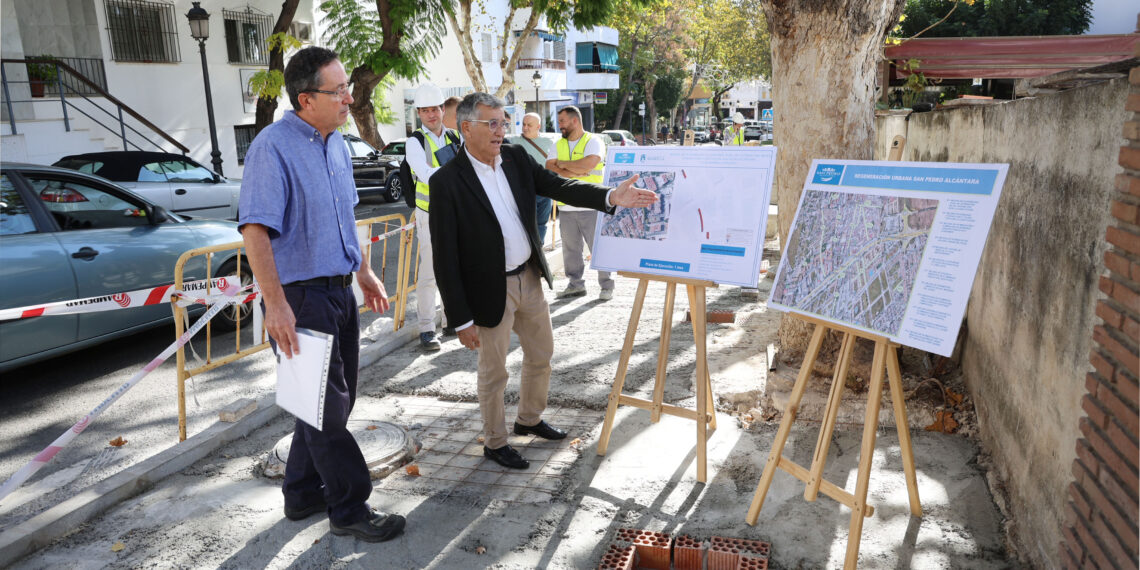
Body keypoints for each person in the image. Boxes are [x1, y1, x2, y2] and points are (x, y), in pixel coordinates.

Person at [429, 93, 658, 469]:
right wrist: (461, 318)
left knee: (541, 355)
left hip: (529, 277)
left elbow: (560, 187)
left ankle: (529, 419)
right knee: (494, 371)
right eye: (492, 124)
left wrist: (610, 197)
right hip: (489, 290)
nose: (501, 131)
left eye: (504, 122)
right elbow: (445, 257)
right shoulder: (447, 183)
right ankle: (495, 441)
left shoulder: (517, 159)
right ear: (466, 127)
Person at [238, 46, 405, 543]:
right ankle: (349, 508)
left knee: (331, 402)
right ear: (306, 99)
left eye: (347, 89)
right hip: (300, 297)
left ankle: (301, 492)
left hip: (338, 292)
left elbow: (345, 216)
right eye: (339, 91)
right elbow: (255, 231)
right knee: (326, 409)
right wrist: (277, 305)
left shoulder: (335, 143)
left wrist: (365, 271)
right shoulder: (273, 147)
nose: (350, 98)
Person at [406, 83, 462, 350]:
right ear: (419, 113)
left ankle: (451, 320)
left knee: (455, 268)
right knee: (430, 271)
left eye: (435, 109)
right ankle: (427, 328)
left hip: (455, 212)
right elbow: (426, 174)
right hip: (430, 214)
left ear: (442, 110)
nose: (431, 114)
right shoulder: (414, 141)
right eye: (425, 110)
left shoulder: (454, 137)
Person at [544, 106, 613, 301]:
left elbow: (590, 165)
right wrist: (576, 171)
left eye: (562, 122)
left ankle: (607, 286)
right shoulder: (559, 144)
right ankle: (575, 285)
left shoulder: (593, 141)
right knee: (570, 251)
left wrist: (563, 165)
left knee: (597, 248)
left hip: (592, 204)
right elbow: (550, 168)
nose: (560, 126)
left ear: (575, 121)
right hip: (566, 206)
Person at [508, 112, 554, 243]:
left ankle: (539, 250)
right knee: (526, 224)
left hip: (545, 191)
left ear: (538, 126)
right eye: (523, 124)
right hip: (524, 190)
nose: (525, 127)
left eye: (529, 125)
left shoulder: (548, 142)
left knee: (542, 223)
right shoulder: (513, 141)